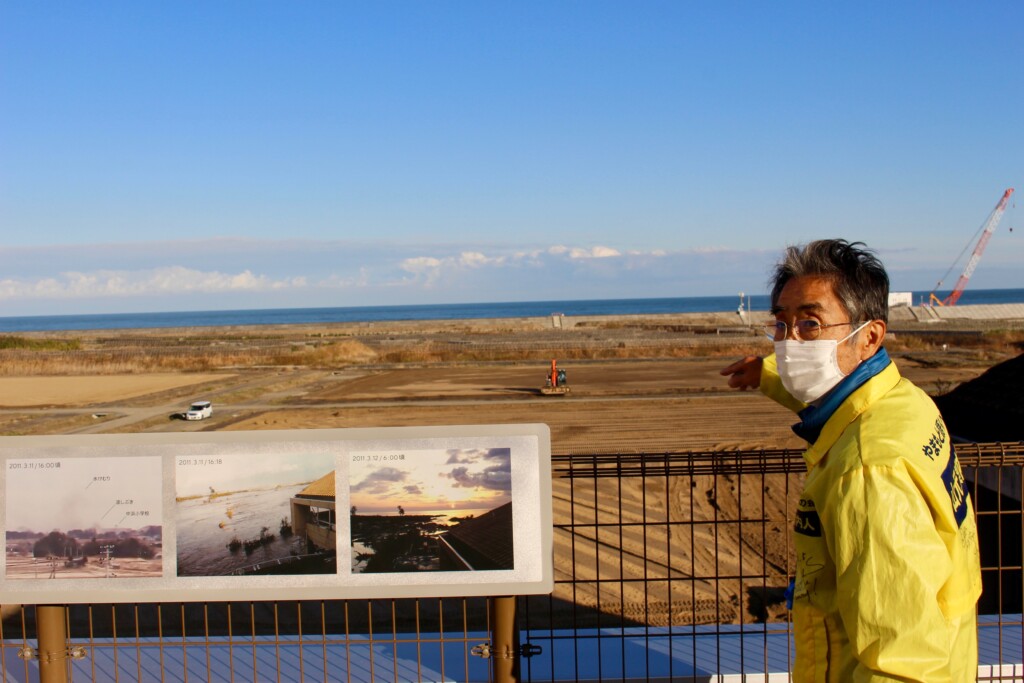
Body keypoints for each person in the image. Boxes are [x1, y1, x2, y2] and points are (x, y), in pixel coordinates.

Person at [720, 239, 981, 682]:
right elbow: (836, 398)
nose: (789, 343)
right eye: (781, 324)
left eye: (811, 323)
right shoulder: (904, 402)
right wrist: (766, 375)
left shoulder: (869, 472)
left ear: (870, 337)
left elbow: (902, 664)